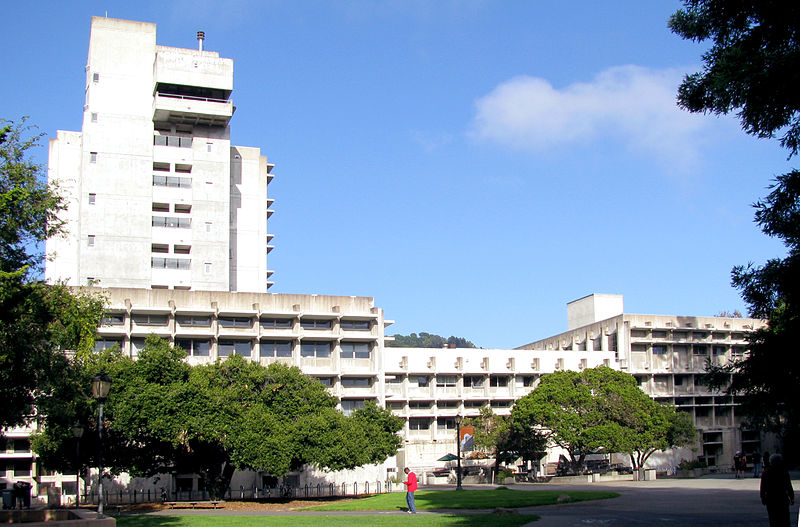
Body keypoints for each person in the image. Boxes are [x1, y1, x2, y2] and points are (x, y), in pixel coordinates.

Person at [760, 453, 795, 527]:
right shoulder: (784, 471)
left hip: (771, 498)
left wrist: (763, 497)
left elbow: (763, 487)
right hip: (782, 498)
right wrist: (791, 497)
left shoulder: (766, 472)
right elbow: (788, 485)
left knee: (773, 519)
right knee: (785, 519)